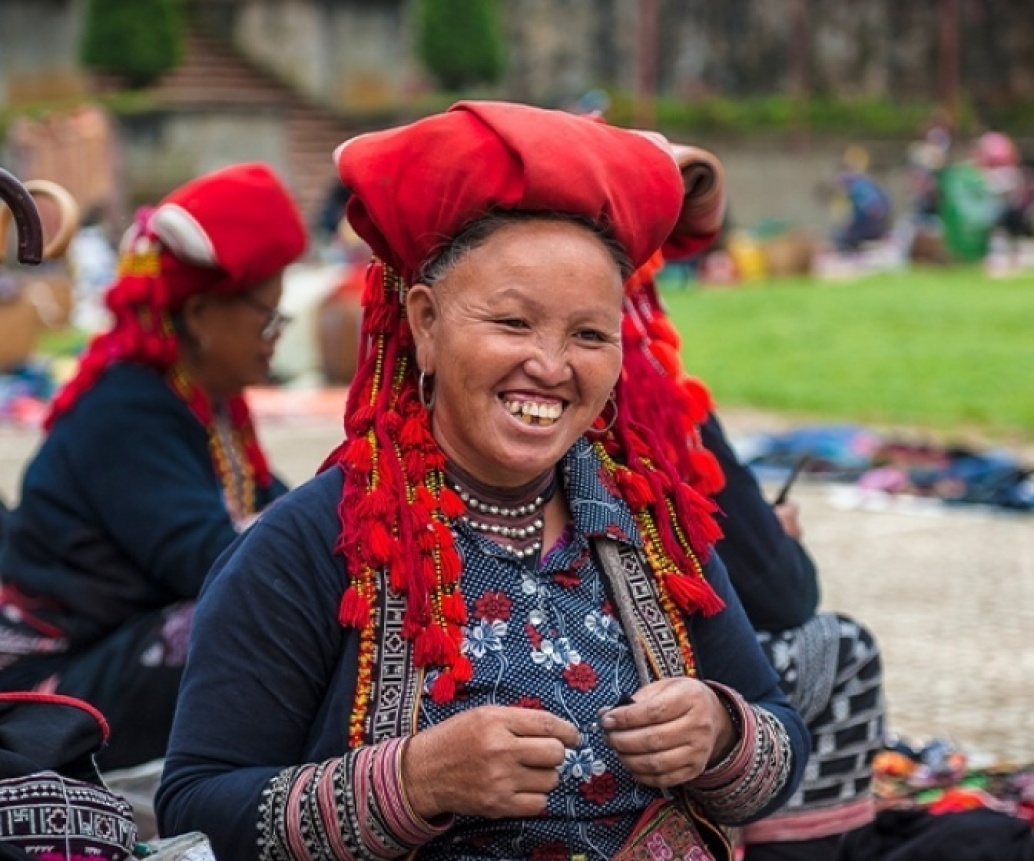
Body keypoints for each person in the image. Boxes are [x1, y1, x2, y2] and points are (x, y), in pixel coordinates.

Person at [156, 101, 809, 861]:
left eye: (590, 334)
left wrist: (722, 729)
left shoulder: (648, 525)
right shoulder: (306, 546)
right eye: (512, 323)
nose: (553, 365)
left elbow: (778, 730)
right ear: (425, 322)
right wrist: (414, 779)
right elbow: (195, 810)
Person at [0, 162, 308, 770]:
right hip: (43, 685)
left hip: (107, 652)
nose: (275, 335)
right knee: (228, 615)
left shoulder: (209, 408)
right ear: (198, 317)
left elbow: (290, 514)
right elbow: (216, 560)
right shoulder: (128, 411)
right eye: (267, 317)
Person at [622, 232, 885, 859]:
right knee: (842, 648)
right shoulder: (644, 389)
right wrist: (772, 541)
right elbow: (784, 596)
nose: (552, 366)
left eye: (588, 334)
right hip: (633, 697)